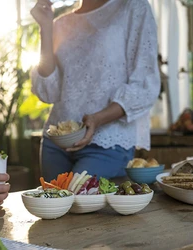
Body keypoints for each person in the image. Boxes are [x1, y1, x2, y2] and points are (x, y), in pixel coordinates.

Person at [30, 0, 161, 182]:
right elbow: (48, 92)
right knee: (54, 207)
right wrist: (45, 27)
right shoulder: (60, 23)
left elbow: (145, 84)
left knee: (80, 202)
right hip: (56, 144)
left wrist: (97, 119)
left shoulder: (133, 7)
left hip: (107, 144)